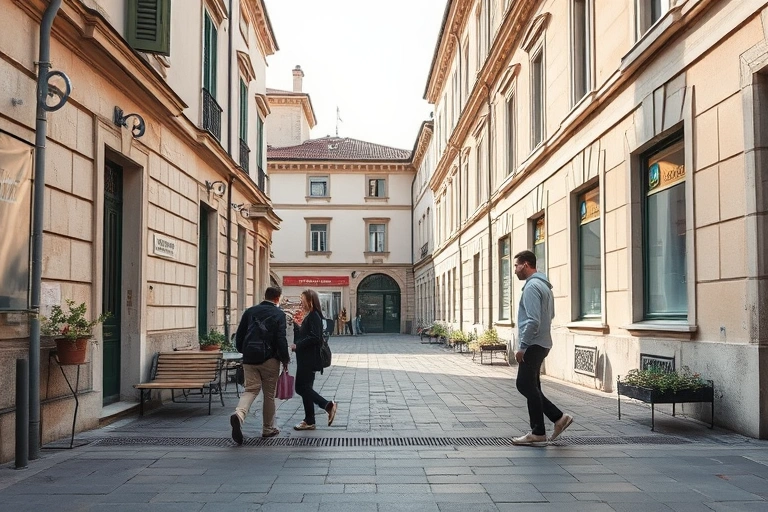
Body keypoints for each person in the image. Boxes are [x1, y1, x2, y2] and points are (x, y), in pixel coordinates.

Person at [511, 250, 573, 446]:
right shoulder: (545, 287)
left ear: (526, 265)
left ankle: (558, 418)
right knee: (533, 386)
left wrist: (523, 346)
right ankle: (538, 431)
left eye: (516, 266)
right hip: (543, 343)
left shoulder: (531, 287)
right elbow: (550, 315)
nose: (514, 270)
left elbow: (533, 320)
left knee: (524, 385)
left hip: (534, 344)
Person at [230, 286, 290, 445]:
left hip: (250, 358)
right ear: (278, 298)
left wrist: (244, 352)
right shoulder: (279, 314)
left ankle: (239, 414)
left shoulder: (250, 311)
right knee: (269, 395)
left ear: (265, 296)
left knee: (250, 389)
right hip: (270, 359)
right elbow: (281, 339)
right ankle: (267, 428)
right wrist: (285, 359)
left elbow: (240, 336)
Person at [290, 289, 338, 430]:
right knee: (306, 388)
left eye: (302, 299)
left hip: (309, 359)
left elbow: (315, 337)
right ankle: (309, 420)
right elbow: (307, 334)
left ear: (310, 301)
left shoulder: (314, 316)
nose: (301, 302)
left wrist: (297, 345)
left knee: (301, 388)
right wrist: (297, 325)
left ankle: (327, 405)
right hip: (306, 357)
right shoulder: (310, 316)